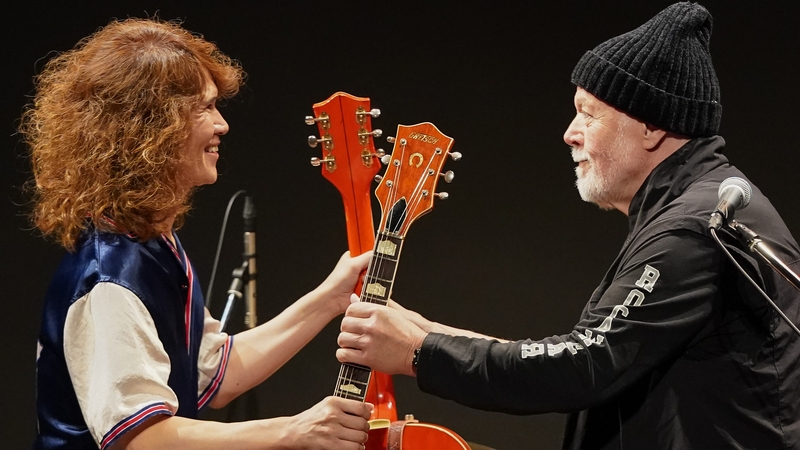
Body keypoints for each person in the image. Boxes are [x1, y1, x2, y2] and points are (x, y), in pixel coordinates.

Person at [336, 3, 800, 449]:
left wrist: (422, 353)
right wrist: (429, 335)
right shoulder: (699, 204)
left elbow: (584, 364)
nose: (570, 132)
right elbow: (585, 352)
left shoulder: (692, 229)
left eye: (589, 112)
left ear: (651, 129)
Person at [20, 18, 373, 450]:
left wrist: (331, 298)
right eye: (203, 108)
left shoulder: (151, 244)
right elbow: (141, 438)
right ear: (150, 129)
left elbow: (215, 373)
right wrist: (294, 431)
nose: (222, 124)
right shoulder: (109, 279)